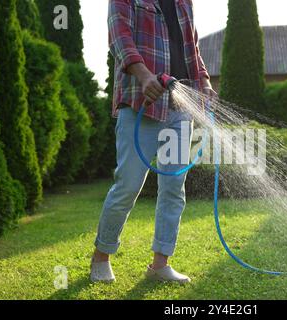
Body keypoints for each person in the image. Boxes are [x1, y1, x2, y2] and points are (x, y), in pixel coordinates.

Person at [90, 0, 216, 284]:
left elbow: (192, 48)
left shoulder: (184, 2)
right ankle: (101, 256)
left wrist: (205, 82)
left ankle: (160, 265)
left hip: (180, 109)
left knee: (173, 188)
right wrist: (145, 76)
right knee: (128, 185)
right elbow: (119, 39)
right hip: (140, 105)